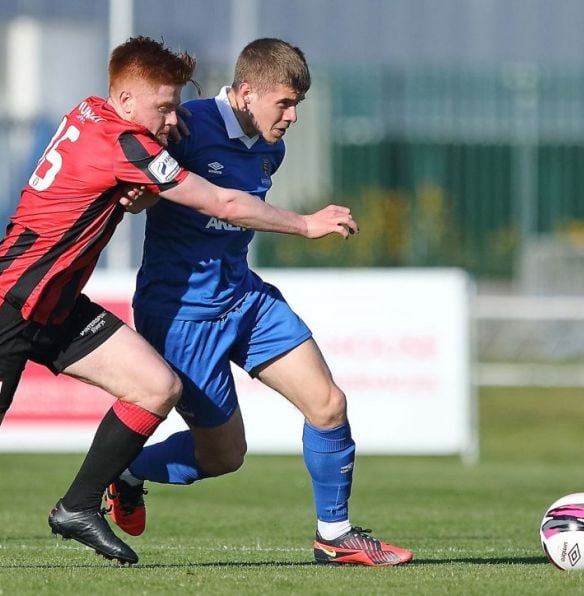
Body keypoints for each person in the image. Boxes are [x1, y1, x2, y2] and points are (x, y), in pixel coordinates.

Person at [0, 35, 357, 567]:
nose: (174, 120)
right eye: (165, 108)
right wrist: (306, 224)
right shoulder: (126, 144)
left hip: (59, 305)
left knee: (157, 386)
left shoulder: (93, 113)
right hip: (7, 305)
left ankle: (78, 505)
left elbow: (131, 182)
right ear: (127, 102)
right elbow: (216, 198)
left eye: (176, 106)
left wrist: (142, 186)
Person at [106, 38, 413, 567]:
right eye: (285, 103)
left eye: (298, 106)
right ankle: (127, 473)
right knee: (224, 457)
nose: (292, 117)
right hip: (182, 315)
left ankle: (334, 535)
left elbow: (239, 209)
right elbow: (133, 180)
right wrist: (136, 194)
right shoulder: (185, 125)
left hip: (245, 297)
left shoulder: (272, 146)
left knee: (329, 404)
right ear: (246, 93)